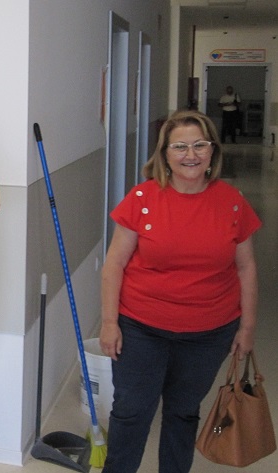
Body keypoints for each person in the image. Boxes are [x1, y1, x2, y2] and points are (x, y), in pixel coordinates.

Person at [99, 110, 261, 473]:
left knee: (183, 412)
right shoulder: (142, 198)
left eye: (200, 145)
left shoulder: (232, 202)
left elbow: (246, 267)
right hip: (141, 327)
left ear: (213, 150)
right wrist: (109, 323)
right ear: (165, 154)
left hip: (209, 333)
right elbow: (114, 265)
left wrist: (248, 328)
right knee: (131, 411)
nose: (191, 154)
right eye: (180, 146)